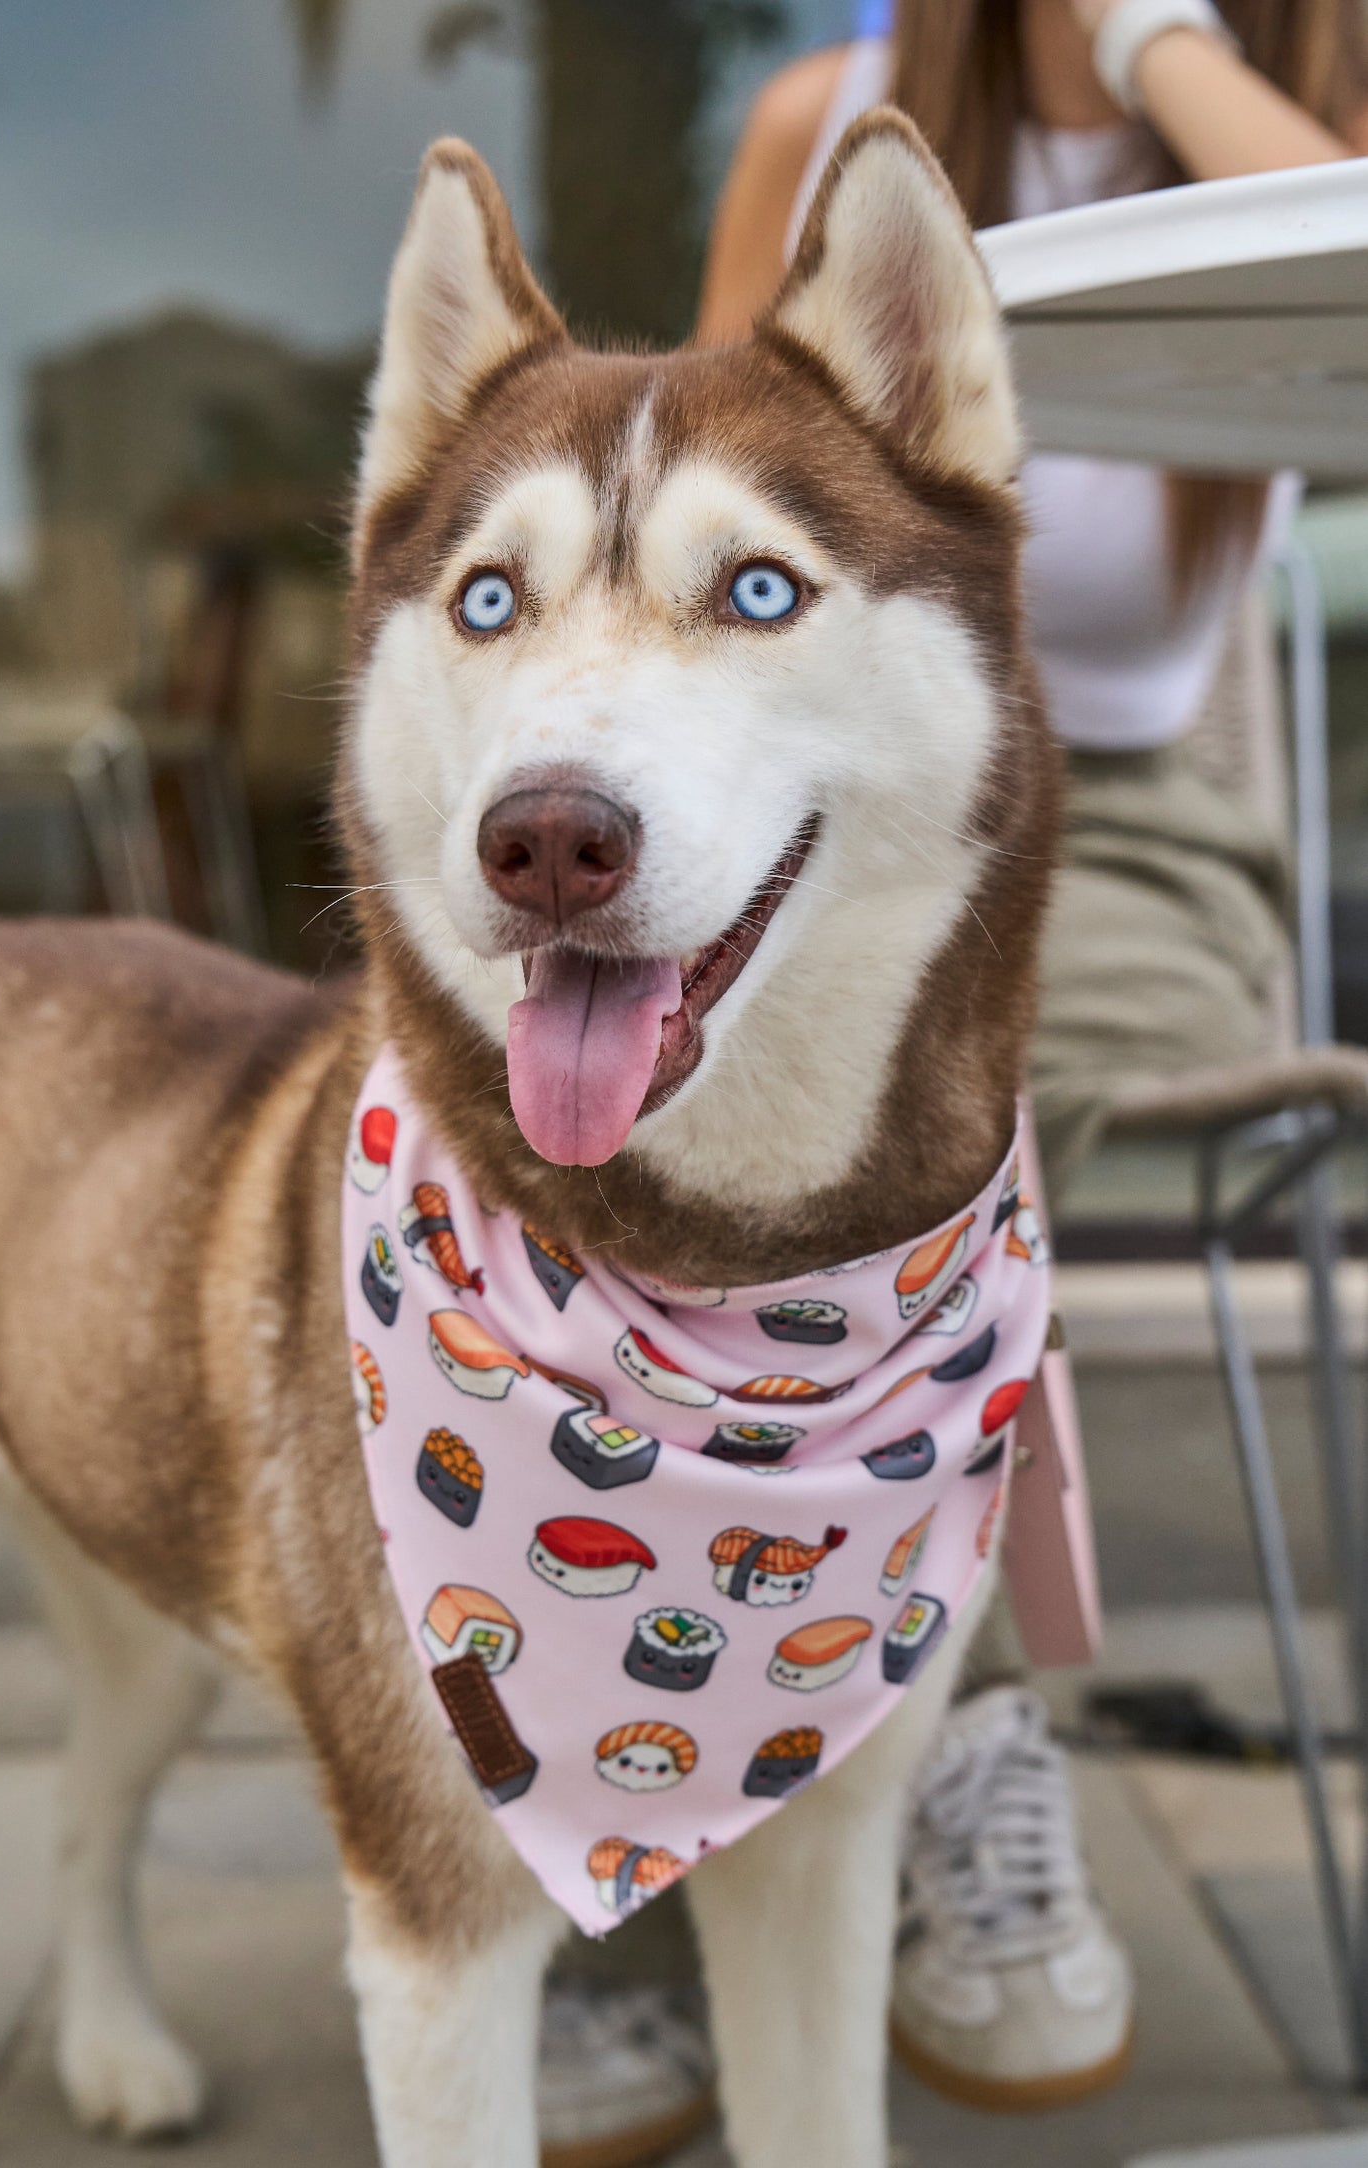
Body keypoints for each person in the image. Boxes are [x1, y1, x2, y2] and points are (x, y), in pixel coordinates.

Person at [538, 2, 1368, 2157]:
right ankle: (639, 1839)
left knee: (937, 1081)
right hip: (819, 784)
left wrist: (1168, 37)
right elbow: (689, 513)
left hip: (1132, 820)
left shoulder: (1298, 126)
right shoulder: (832, 131)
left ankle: (928, 1727)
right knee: (663, 1112)